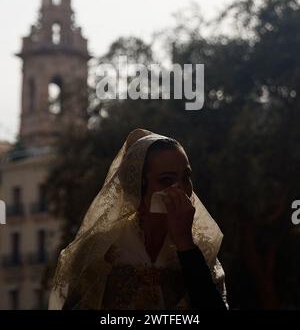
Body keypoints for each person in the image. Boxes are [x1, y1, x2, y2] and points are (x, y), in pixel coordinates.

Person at [48, 128, 228, 310]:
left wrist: (186, 246)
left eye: (186, 177)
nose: (181, 189)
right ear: (137, 186)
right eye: (166, 180)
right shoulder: (102, 249)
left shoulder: (201, 247)